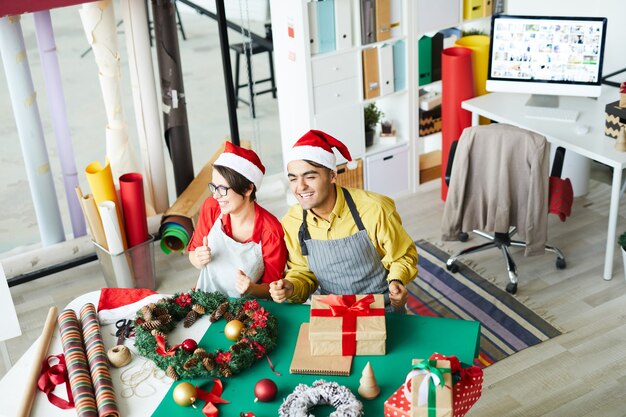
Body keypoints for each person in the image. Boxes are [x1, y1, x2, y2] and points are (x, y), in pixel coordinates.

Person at [269, 130, 418, 312]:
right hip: (331, 311)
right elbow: (302, 272)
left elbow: (402, 255)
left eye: (310, 177)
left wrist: (396, 280)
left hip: (381, 308)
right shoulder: (292, 221)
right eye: (293, 179)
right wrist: (291, 286)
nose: (300, 187)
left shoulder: (374, 209)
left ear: (332, 175)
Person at [188, 141, 287, 299]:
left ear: (248, 188)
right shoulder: (211, 207)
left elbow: (273, 289)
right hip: (204, 300)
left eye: (223, 189)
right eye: (214, 187)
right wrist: (198, 259)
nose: (215, 195)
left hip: (246, 311)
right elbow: (193, 254)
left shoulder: (271, 231)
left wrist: (252, 288)